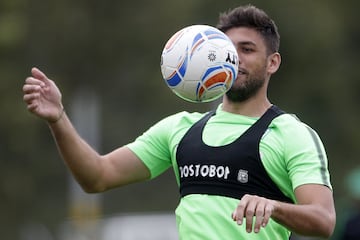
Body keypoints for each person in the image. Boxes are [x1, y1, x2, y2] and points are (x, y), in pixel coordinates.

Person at [22, 5, 336, 240]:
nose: (235, 58)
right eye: (227, 49)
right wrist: (59, 118)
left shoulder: (291, 134)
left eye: (247, 49)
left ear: (273, 62)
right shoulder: (181, 129)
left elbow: (323, 219)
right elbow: (98, 177)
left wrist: (275, 207)